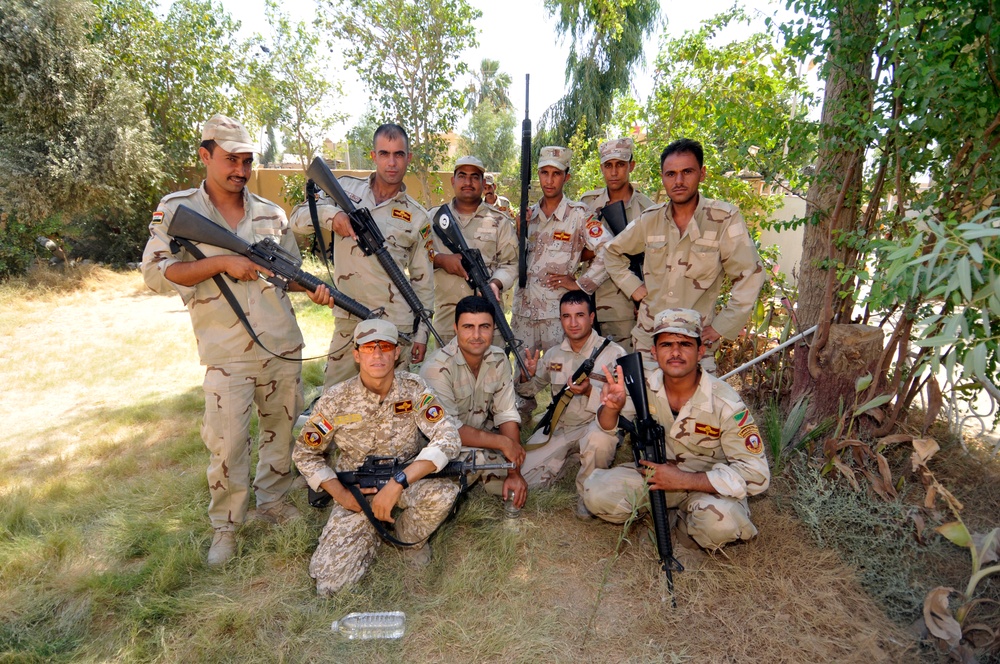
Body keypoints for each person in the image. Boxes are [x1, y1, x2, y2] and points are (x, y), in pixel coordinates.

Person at [141, 114, 334, 565]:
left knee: (281, 431)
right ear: (205, 156)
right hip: (226, 352)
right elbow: (154, 274)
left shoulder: (271, 213)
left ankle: (273, 503)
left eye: (247, 161)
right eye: (231, 160)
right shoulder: (177, 210)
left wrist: (318, 290)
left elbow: (291, 274)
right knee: (228, 444)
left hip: (281, 344)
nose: (241, 171)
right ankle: (226, 526)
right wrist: (222, 262)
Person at [292, 319, 462, 595]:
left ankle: (408, 540)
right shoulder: (336, 400)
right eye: (369, 348)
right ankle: (370, 529)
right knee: (332, 585)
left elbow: (448, 436)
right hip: (357, 493)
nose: (378, 354)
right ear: (356, 355)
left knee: (444, 494)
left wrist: (398, 483)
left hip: (405, 481)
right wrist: (342, 495)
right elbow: (305, 454)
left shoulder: (414, 389)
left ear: (397, 353)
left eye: (385, 347)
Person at [585, 308, 770, 551]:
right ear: (654, 351)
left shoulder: (725, 402)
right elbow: (607, 428)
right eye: (666, 344)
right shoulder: (642, 384)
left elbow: (757, 476)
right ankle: (658, 513)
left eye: (684, 344)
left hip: (704, 487)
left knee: (722, 524)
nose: (675, 352)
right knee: (595, 493)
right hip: (653, 477)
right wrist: (611, 408)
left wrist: (683, 479)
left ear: (700, 351)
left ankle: (685, 525)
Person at [289, 123, 435, 387]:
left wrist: (422, 334)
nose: (392, 163)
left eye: (399, 154)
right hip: (349, 317)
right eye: (384, 153)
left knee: (391, 407)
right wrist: (332, 216)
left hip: (395, 326)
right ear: (373, 156)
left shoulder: (418, 216)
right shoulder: (343, 189)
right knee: (335, 399)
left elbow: (423, 283)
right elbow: (297, 219)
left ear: (408, 158)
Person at [603, 138, 766, 371]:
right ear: (663, 177)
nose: (678, 181)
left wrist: (721, 326)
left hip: (696, 344)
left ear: (702, 173)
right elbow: (612, 252)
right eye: (670, 174)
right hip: (650, 341)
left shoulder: (723, 219)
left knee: (697, 408)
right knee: (646, 407)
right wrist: (634, 288)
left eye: (687, 172)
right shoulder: (651, 220)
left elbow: (751, 274)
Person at [516, 290, 631, 519]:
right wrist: (524, 376)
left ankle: (587, 492)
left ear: (591, 317)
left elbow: (626, 408)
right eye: (566, 316)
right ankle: (570, 459)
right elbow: (528, 390)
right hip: (562, 428)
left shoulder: (614, 354)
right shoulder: (553, 354)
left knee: (599, 440)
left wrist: (590, 391)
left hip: (596, 426)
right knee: (523, 480)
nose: (573, 322)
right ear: (560, 320)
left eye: (579, 315)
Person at [421, 296, 528, 508]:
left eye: (484, 327)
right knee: (477, 460)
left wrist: (514, 470)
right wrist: (504, 444)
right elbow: (450, 429)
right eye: (468, 327)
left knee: (529, 467)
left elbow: (506, 414)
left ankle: (488, 476)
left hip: (481, 436)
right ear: (456, 329)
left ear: (494, 328)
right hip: (441, 444)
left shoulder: (498, 359)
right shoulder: (437, 368)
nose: (477, 335)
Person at [512, 145, 612, 354]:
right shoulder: (527, 216)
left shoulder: (579, 215)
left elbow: (608, 249)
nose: (549, 181)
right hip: (524, 313)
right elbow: (511, 260)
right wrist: (518, 231)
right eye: (544, 173)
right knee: (522, 380)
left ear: (566, 177)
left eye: (556, 174)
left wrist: (581, 285)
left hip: (558, 315)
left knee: (561, 378)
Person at [428, 156, 517, 347]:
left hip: (488, 318)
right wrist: (441, 260)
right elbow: (416, 258)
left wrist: (495, 284)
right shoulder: (433, 218)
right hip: (447, 320)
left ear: (483, 183)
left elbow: (511, 263)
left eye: (474, 177)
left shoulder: (499, 221)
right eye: (462, 176)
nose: (468, 182)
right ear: (453, 181)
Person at [579, 138, 655, 352]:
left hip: (627, 306)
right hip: (590, 301)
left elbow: (654, 261)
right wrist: (601, 248)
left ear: (631, 165)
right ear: (601, 167)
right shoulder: (588, 204)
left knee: (624, 370)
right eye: (608, 165)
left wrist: (644, 301)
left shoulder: (648, 209)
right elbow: (574, 252)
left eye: (620, 165)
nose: (614, 172)